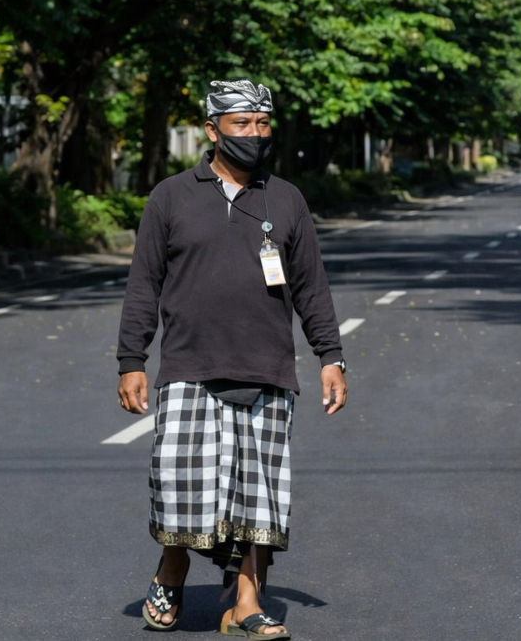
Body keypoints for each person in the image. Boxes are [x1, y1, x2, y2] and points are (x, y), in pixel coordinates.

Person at [116, 78, 348, 639]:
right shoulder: (171, 196)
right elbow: (144, 284)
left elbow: (311, 284)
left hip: (267, 368)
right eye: (242, 124)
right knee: (180, 487)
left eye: (263, 124)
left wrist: (330, 355)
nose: (254, 134)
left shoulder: (285, 198)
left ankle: (245, 601)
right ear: (212, 129)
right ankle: (172, 572)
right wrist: (131, 359)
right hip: (190, 368)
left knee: (260, 494)